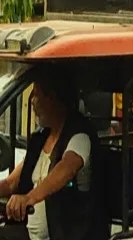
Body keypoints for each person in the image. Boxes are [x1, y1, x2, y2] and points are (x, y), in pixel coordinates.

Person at [0, 67, 106, 240]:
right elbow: (11, 183)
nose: (32, 101)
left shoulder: (79, 136)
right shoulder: (40, 138)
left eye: (36, 94)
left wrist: (29, 198)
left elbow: (66, 169)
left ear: (52, 97)